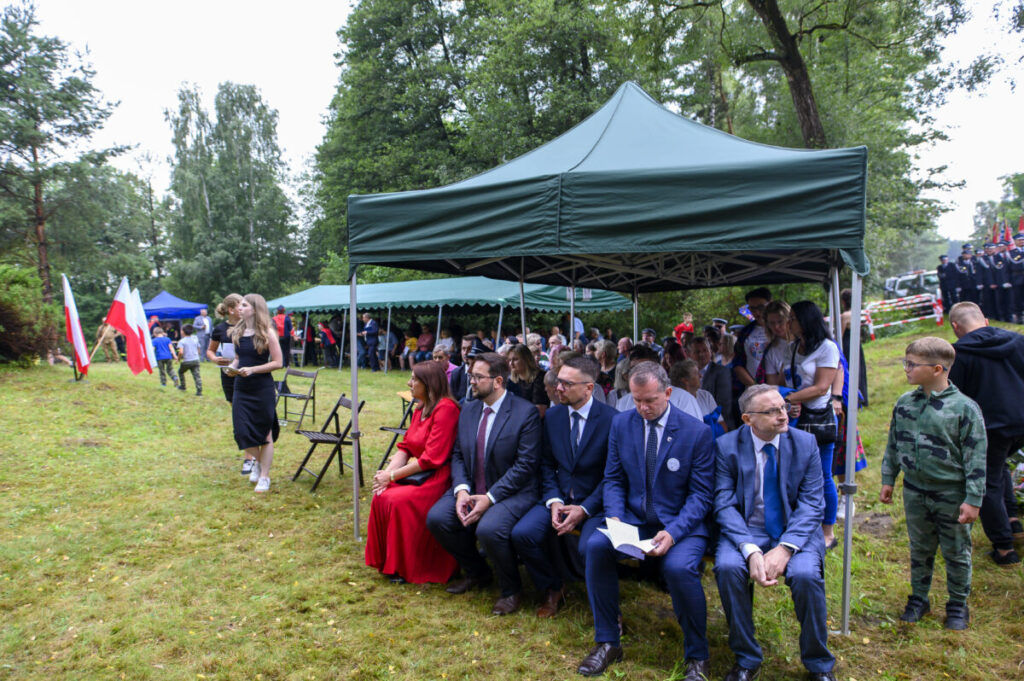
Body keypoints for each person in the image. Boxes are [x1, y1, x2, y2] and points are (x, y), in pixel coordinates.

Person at [577, 362, 713, 680]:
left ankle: (697, 655)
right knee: (596, 546)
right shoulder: (623, 424)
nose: (643, 408)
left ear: (668, 393)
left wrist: (674, 532)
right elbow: (613, 478)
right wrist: (614, 517)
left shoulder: (696, 433)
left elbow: (701, 496)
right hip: (634, 519)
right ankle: (608, 641)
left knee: (679, 569)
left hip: (681, 524)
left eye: (650, 400)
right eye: (637, 400)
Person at [714, 384, 836, 681]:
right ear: (748, 419)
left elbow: (811, 504)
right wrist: (750, 549)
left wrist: (785, 548)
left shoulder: (805, 443)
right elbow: (723, 503)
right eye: (772, 411)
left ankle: (818, 663)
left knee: (806, 576)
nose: (784, 415)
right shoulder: (726, 446)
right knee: (728, 567)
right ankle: (746, 658)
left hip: (796, 529)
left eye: (783, 407)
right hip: (747, 528)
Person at [880, 337, 985, 630]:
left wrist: (974, 498)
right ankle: (919, 599)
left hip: (951, 493)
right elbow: (893, 443)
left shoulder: (964, 409)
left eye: (912, 364)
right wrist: (889, 478)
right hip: (915, 491)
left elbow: (976, 458)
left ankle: (957, 604)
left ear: (937, 368)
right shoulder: (905, 403)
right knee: (920, 548)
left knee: (956, 550)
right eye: (906, 362)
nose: (906, 369)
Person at [426, 352, 541, 615]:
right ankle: (478, 572)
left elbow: (525, 466)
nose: (471, 382)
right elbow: (458, 453)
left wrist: (490, 497)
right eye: (470, 375)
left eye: (477, 377)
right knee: (437, 518)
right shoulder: (469, 408)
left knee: (489, 529)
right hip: (473, 487)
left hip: (512, 492)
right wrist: (462, 490)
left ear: (498, 381)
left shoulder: (525, 414)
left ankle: (511, 589)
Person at [510, 356, 616, 618]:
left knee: (591, 546)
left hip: (595, 503)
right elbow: (546, 464)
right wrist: (554, 500)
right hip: (558, 498)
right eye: (559, 382)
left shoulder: (613, 420)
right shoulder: (554, 415)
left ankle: (607, 608)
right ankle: (552, 587)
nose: (558, 388)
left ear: (589, 388)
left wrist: (585, 508)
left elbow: (614, 476)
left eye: (567, 384)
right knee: (522, 534)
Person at [366, 361, 461, 584]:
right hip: (420, 472)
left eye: (413, 380)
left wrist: (391, 477)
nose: (409, 384)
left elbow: (431, 458)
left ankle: (409, 566)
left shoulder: (446, 409)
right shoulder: (420, 408)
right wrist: (385, 475)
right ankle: (389, 561)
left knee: (399, 501)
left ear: (428, 384)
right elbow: (406, 447)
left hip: (438, 477)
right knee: (381, 495)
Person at [947, 302, 1024, 564]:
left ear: (955, 327)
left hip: (992, 427)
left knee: (986, 483)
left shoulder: (958, 354)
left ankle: (1004, 549)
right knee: (999, 467)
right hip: (1020, 420)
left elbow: (957, 398)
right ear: (986, 320)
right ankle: (1013, 521)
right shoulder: (1018, 340)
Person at [775, 301, 843, 550]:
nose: (788, 323)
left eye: (792, 318)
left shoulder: (827, 348)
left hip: (818, 419)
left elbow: (821, 387)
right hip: (794, 418)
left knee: (823, 475)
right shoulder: (792, 348)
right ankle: (799, 525)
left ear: (806, 320)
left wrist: (787, 398)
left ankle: (828, 531)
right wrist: (787, 398)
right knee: (794, 474)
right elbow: (787, 380)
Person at [229, 294, 284, 493]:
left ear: (254, 308)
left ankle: (264, 476)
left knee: (264, 433)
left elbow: (278, 362)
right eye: (239, 305)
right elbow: (238, 358)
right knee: (242, 431)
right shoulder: (237, 331)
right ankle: (258, 463)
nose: (239, 308)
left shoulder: (267, 332)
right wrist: (231, 367)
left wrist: (253, 369)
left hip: (262, 388)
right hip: (241, 388)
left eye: (244, 305)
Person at [614, 352, 703, 421]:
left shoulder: (684, 399)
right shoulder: (623, 403)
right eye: (634, 369)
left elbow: (694, 438)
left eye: (646, 369)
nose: (640, 374)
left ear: (659, 369)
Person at [687, 335, 734, 428]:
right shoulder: (687, 373)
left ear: (710, 351)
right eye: (697, 352)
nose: (701, 354)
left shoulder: (722, 372)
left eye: (705, 350)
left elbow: (724, 406)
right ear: (689, 354)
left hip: (717, 425)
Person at [670, 359, 727, 438]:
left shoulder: (705, 395)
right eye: (696, 374)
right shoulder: (674, 400)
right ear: (685, 380)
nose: (701, 376)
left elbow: (723, 425)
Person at [507, 342, 548, 417]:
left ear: (526, 360)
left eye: (515, 359)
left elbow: (540, 411)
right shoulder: (510, 380)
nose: (511, 363)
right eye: (509, 360)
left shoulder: (540, 377)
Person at [175, 324, 202, 396]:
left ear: (183, 332)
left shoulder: (182, 341)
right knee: (197, 375)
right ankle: (199, 391)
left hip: (187, 361)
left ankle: (183, 386)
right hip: (196, 360)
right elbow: (199, 348)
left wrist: (178, 359)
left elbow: (181, 352)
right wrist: (197, 355)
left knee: (180, 372)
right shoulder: (195, 339)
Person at [449, 335, 477, 404]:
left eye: (469, 349)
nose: (465, 353)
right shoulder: (456, 373)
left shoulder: (484, 373)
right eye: (463, 349)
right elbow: (452, 400)